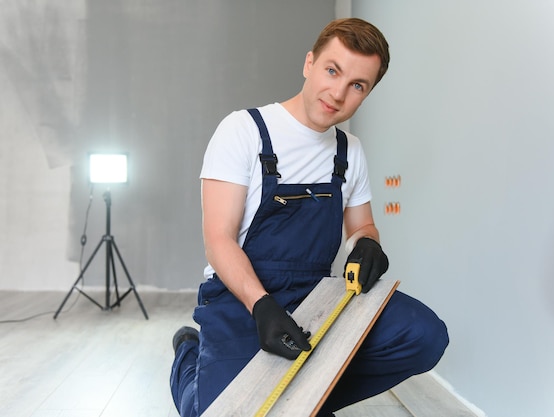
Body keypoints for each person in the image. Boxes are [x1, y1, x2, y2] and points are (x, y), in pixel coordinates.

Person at [170, 17, 449, 417]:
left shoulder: (349, 151)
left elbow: (363, 226)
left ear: (367, 93)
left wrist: (367, 244)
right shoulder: (243, 130)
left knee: (425, 336)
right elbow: (218, 238)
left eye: (357, 86)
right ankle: (187, 354)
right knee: (222, 410)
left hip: (315, 294)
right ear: (309, 63)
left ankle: (302, 403)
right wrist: (262, 307)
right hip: (240, 297)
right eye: (332, 71)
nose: (338, 93)